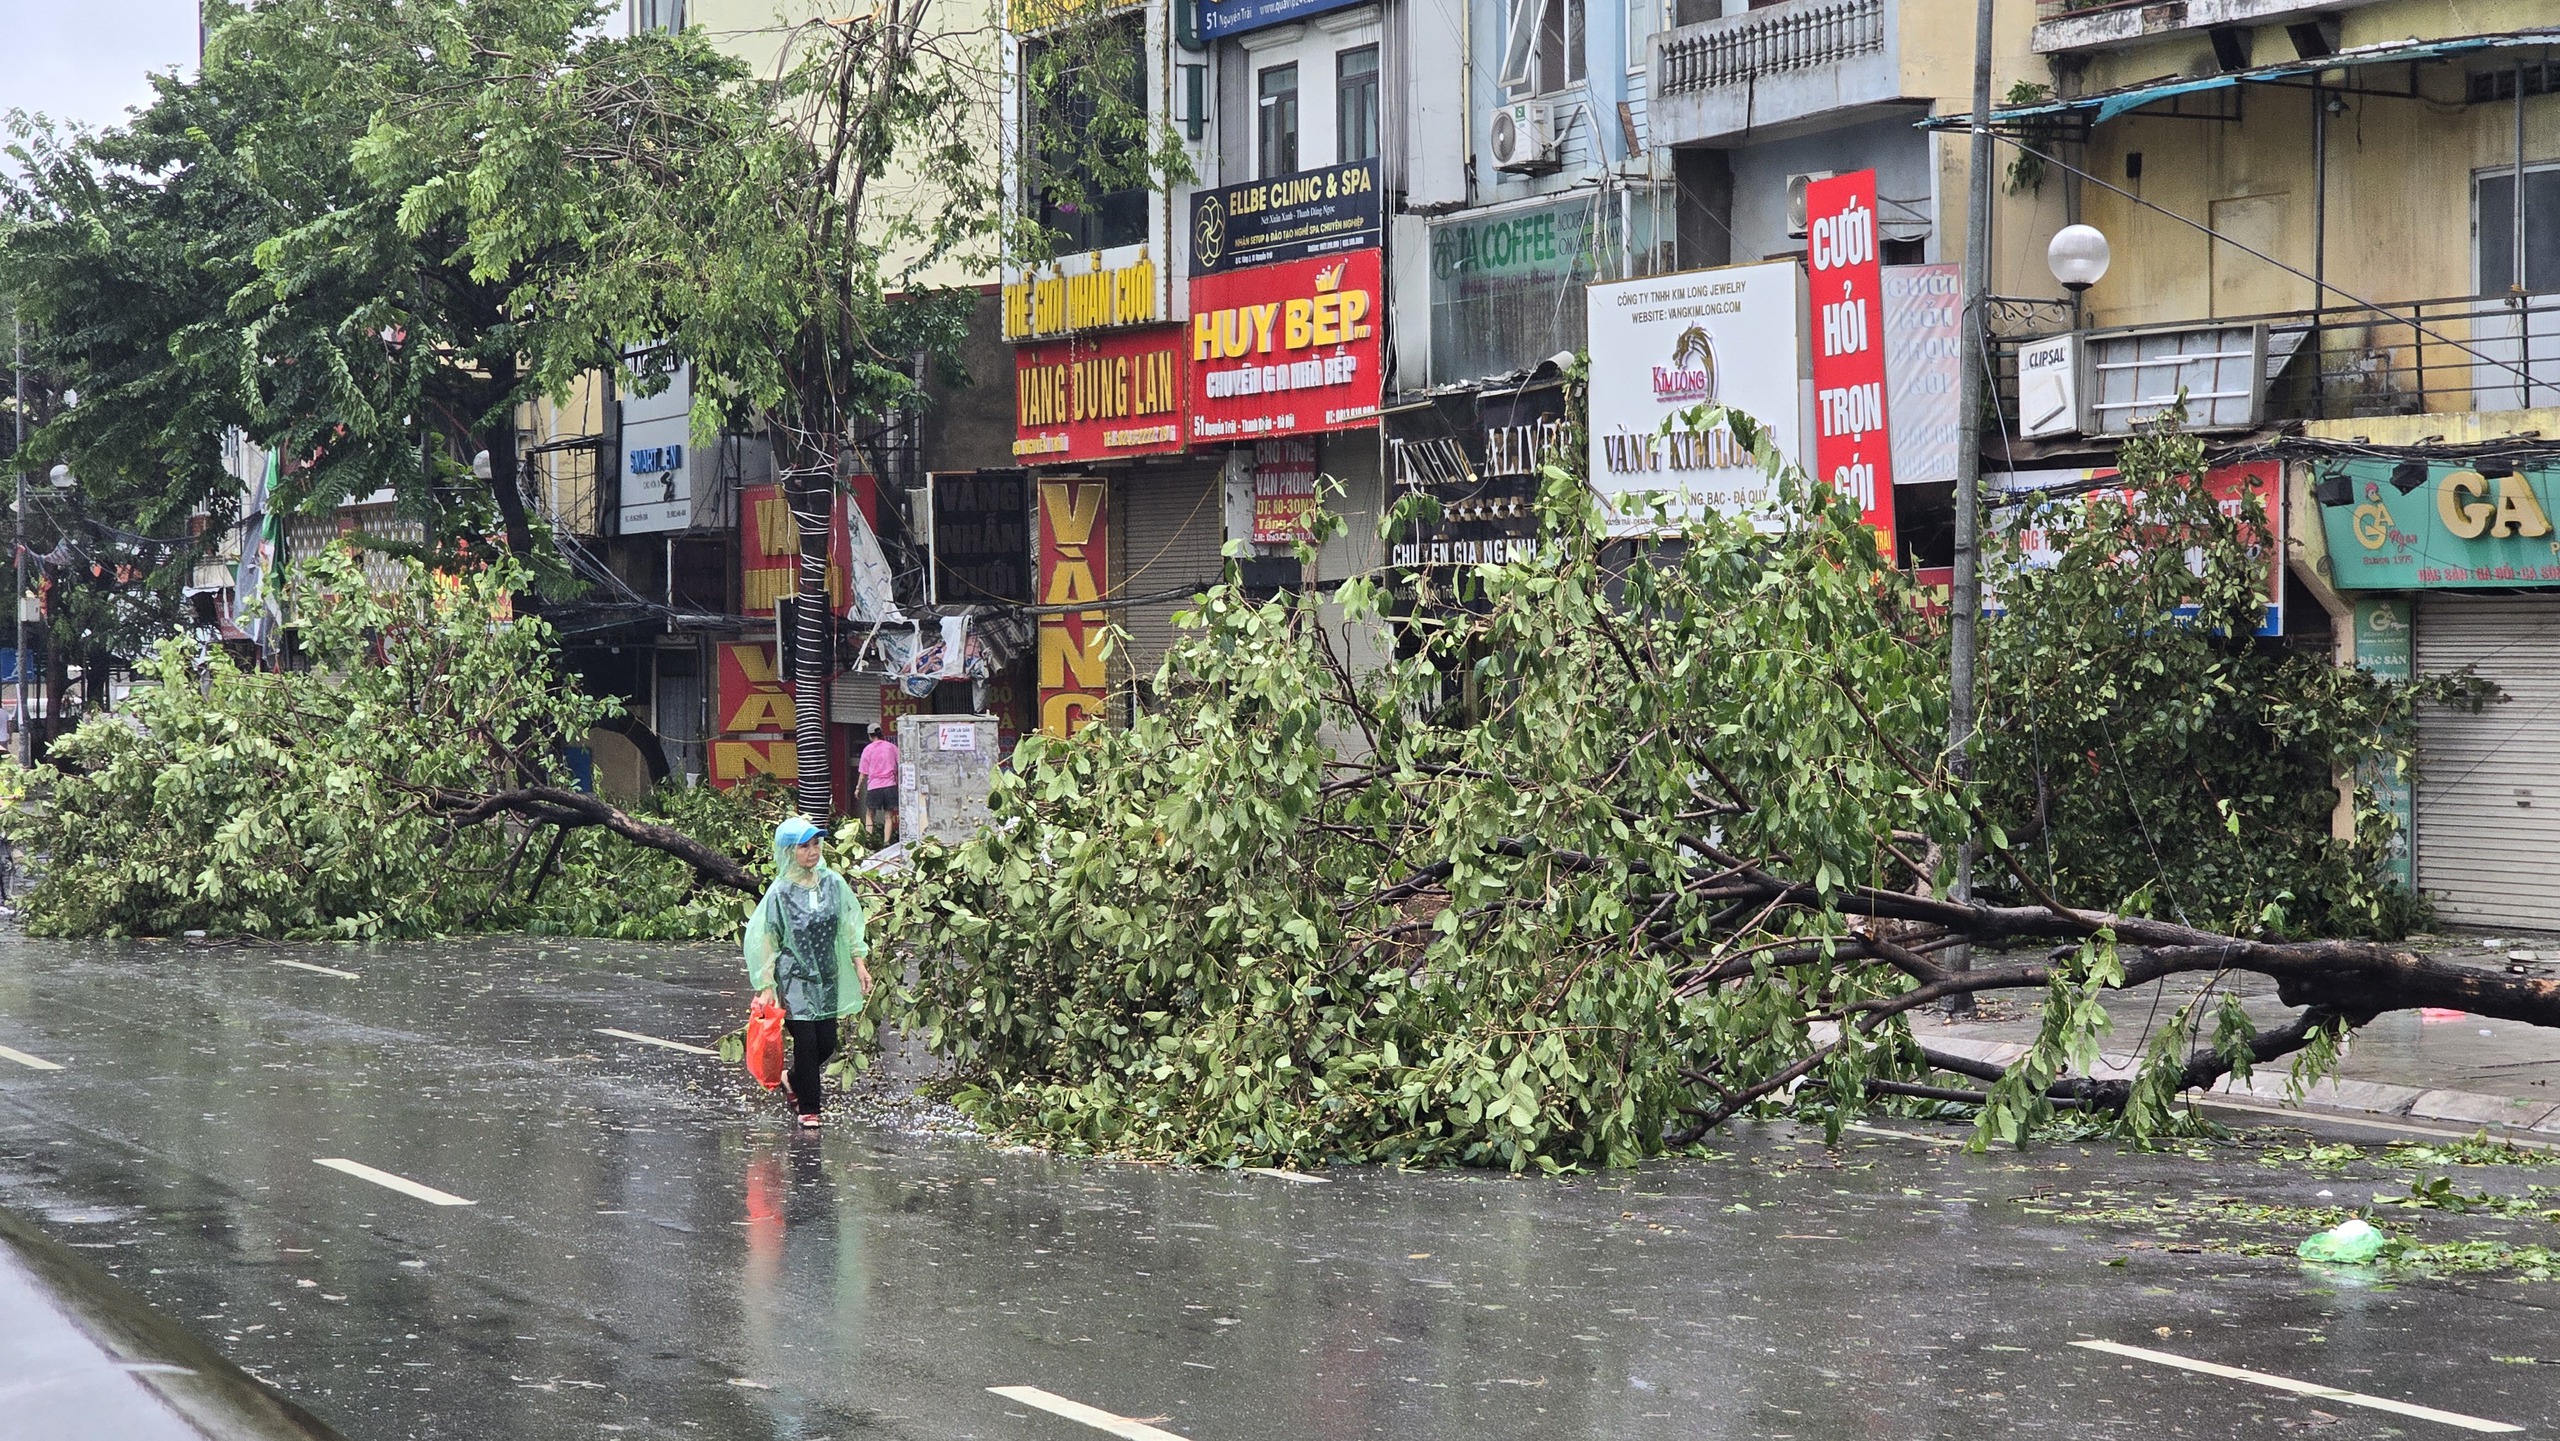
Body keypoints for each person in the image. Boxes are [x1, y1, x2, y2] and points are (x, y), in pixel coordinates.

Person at [744, 817, 871, 1129]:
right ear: (789, 851)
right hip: (794, 977)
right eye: (804, 846)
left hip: (827, 975)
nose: (812, 851)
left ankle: (792, 1078)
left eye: (816, 844)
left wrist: (860, 964)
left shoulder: (833, 883)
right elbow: (767, 936)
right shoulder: (780, 893)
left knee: (827, 1042)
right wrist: (767, 983)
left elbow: (849, 924)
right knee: (807, 1043)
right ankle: (809, 1110)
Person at [857, 724, 900, 846]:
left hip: (874, 786)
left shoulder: (868, 749)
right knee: (888, 816)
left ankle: (869, 841)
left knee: (870, 814)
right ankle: (886, 842)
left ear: (870, 735)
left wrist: (858, 788)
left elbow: (863, 773)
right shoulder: (891, 747)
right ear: (881, 733)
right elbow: (901, 762)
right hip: (890, 785)